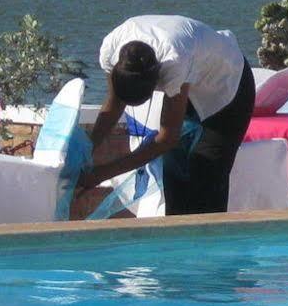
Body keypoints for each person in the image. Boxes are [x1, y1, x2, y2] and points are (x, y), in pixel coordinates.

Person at [78, 15, 254, 215]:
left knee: (206, 173)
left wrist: (103, 173)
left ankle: (209, 241)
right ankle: (176, 242)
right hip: (193, 84)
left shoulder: (174, 61)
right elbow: (114, 104)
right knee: (174, 174)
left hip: (228, 88)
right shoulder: (111, 49)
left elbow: (167, 137)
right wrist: (85, 153)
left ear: (157, 82)